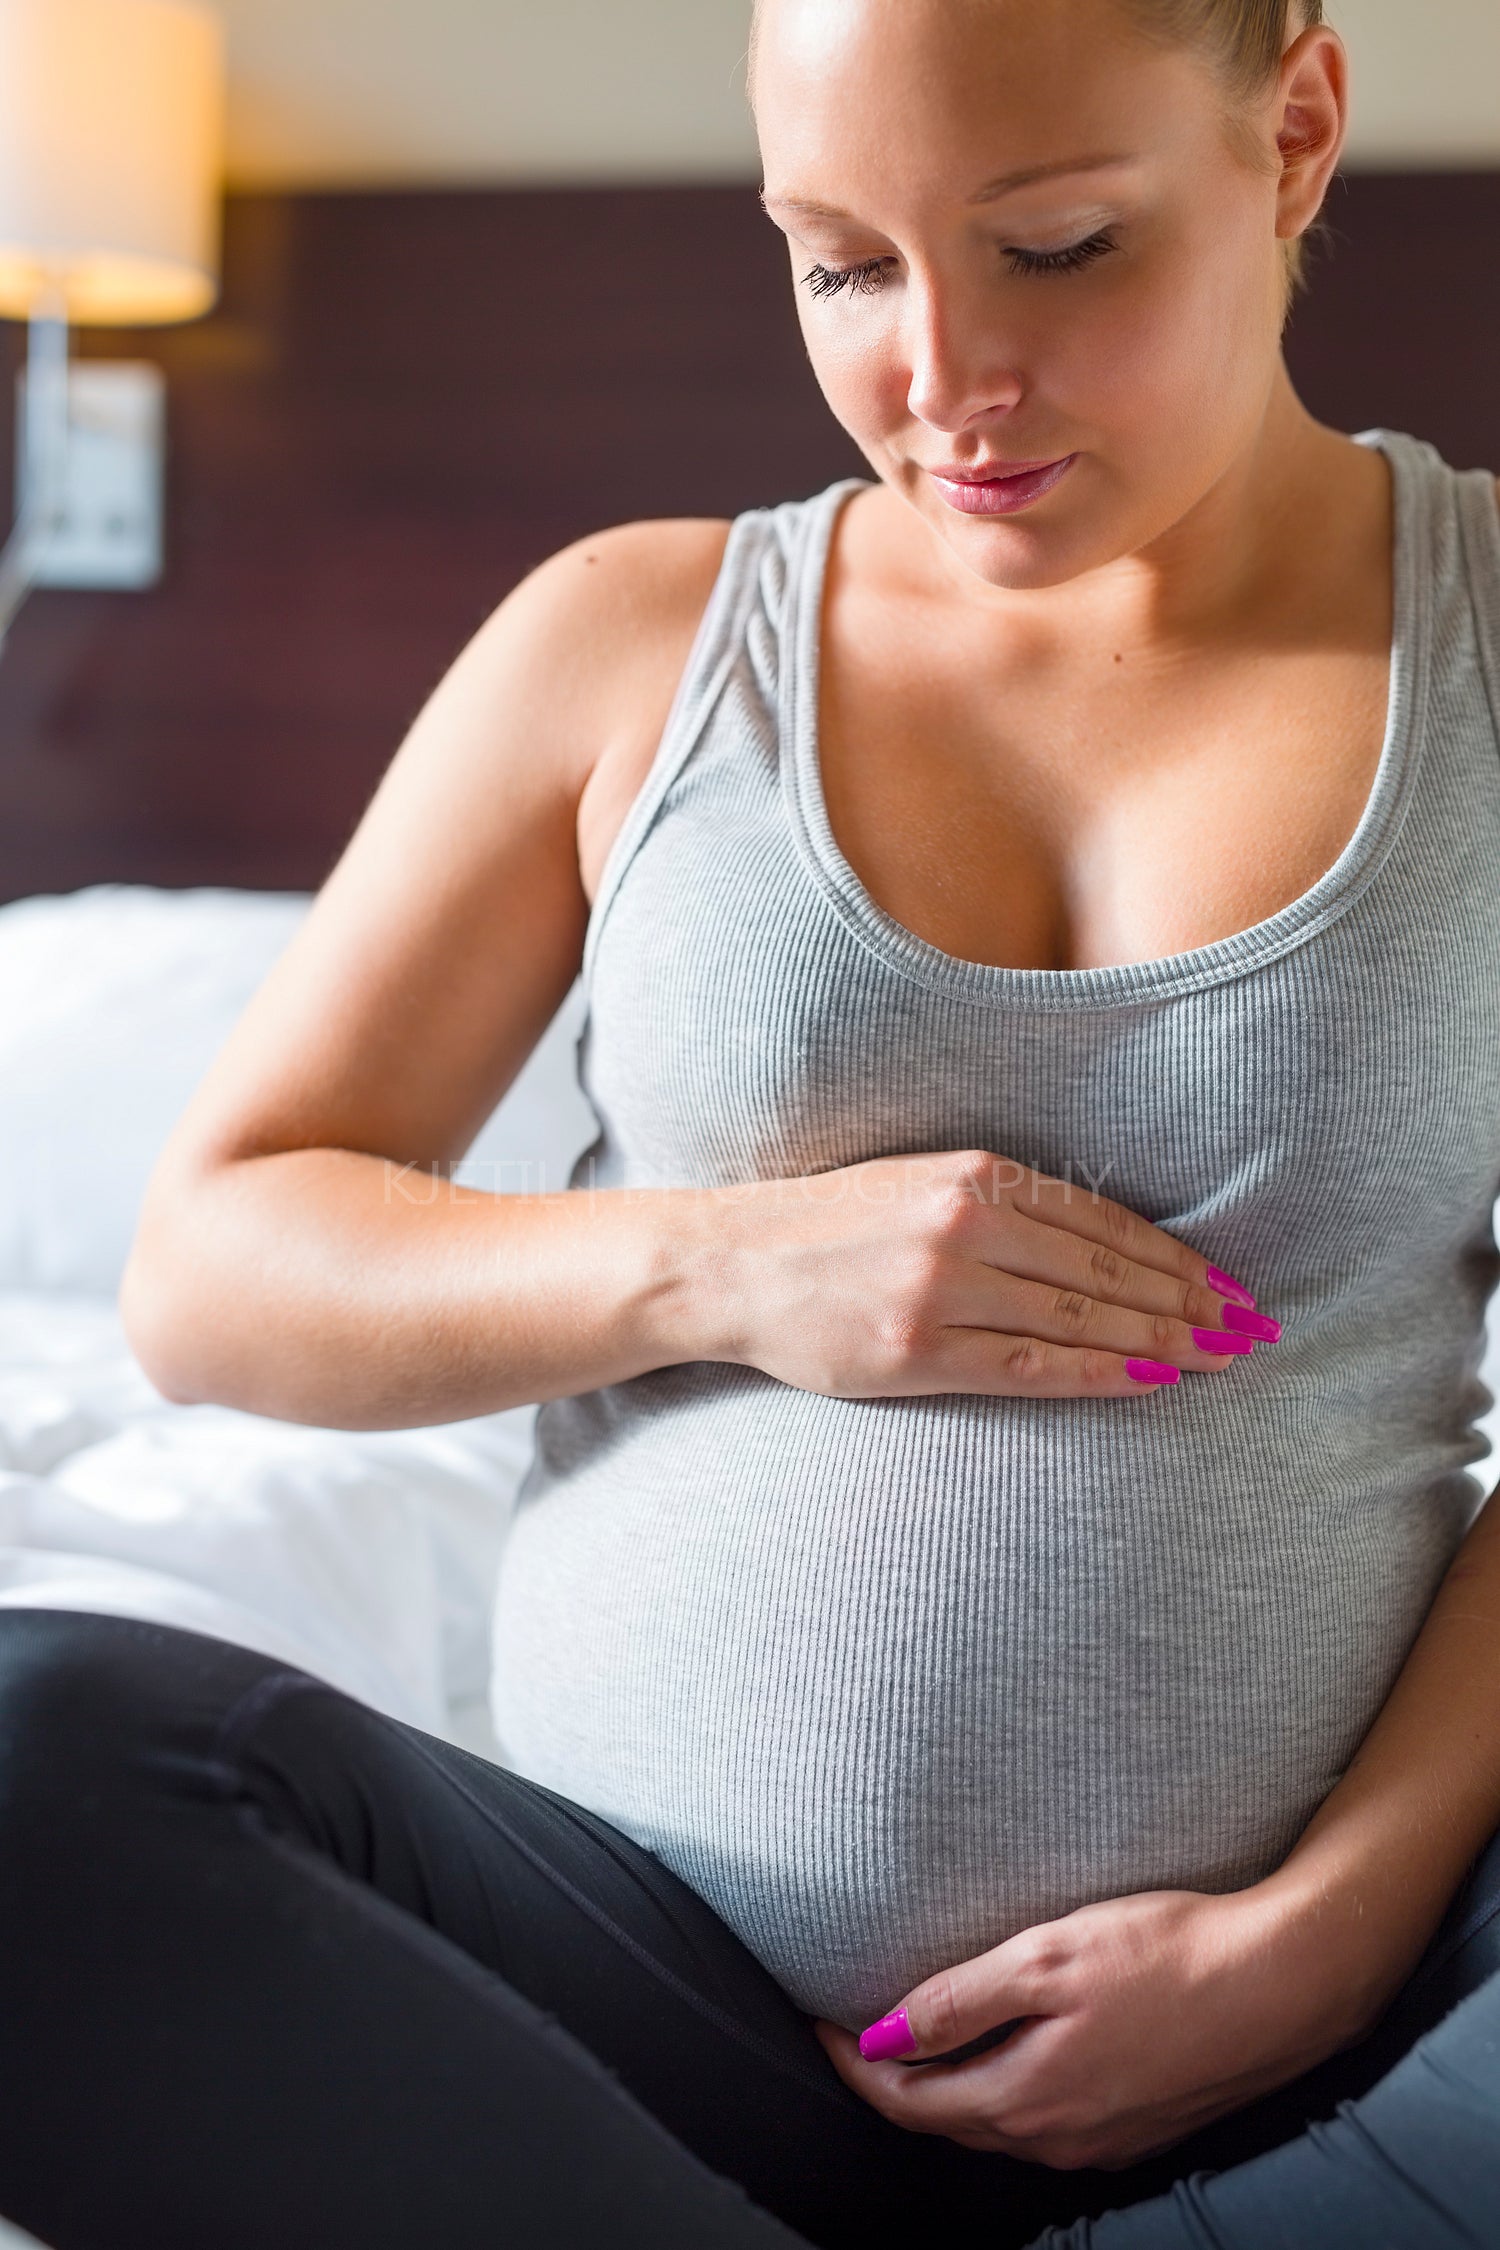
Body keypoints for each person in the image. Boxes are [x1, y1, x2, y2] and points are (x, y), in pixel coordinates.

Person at [3, 0, 1499, 2243]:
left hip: (1351, 2038)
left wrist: (1322, 1936)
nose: (942, 379)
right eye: (840, 260)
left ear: (1292, 131)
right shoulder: (630, 642)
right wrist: (726, 1263)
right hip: (637, 2033)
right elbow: (216, 1271)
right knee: (30, 1761)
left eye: (1061, 247)